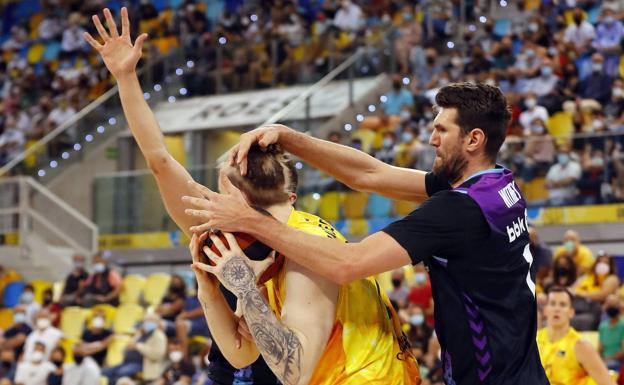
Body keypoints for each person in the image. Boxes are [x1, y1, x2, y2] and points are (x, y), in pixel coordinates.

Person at [85, 8, 419, 385]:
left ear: (234, 198)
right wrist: (210, 290)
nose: (209, 194)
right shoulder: (255, 234)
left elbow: (294, 372)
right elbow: (241, 352)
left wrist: (241, 284)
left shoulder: (305, 252)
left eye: (219, 185)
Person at [186, 83, 550, 384]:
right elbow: (369, 175)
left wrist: (248, 220)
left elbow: (349, 263)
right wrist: (288, 137)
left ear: (473, 139)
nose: (431, 139)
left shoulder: (459, 209)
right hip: (518, 368)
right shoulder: (495, 184)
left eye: (442, 130)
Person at [83, 8, 279, 384]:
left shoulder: (298, 237)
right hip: (231, 371)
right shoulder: (214, 222)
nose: (214, 189)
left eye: (225, 180)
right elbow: (158, 158)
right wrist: (125, 78)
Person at [537, 287, 616, 385]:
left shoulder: (581, 346)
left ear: (571, 312)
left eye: (562, 304)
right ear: (545, 310)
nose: (557, 309)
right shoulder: (535, 341)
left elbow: (608, 383)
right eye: (552, 304)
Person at [102, 313, 167, 385]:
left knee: (121, 373)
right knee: (106, 372)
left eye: (151, 320)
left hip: (142, 365)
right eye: (146, 320)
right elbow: (130, 345)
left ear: (157, 323)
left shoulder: (159, 336)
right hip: (126, 363)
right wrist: (128, 348)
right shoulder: (141, 333)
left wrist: (138, 346)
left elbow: (157, 355)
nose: (148, 322)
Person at [599, 294, 624, 371]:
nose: (611, 307)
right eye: (609, 304)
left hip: (618, 361)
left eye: (614, 304)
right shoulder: (603, 326)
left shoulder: (622, 325)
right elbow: (600, 349)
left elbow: (622, 352)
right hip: (605, 360)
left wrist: (608, 359)